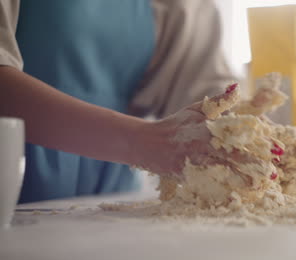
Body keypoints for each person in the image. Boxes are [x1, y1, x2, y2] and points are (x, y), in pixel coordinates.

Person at [0, 0, 252, 203]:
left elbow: (206, 92)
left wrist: (246, 132)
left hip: (107, 204)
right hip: (10, 187)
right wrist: (138, 142)